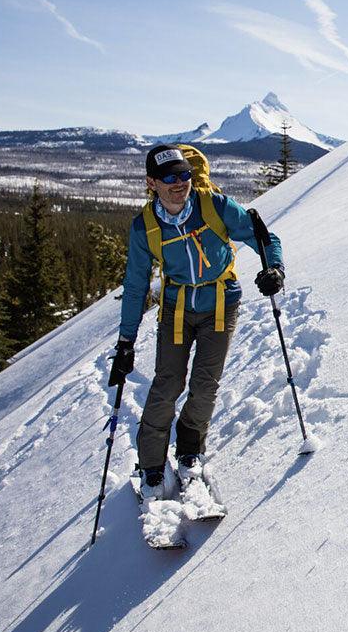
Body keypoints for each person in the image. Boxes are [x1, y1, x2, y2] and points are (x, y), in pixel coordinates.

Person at [108, 145, 284, 498]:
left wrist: (273, 267)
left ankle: (190, 449)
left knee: (205, 384)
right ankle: (151, 465)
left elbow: (262, 235)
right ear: (151, 183)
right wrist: (125, 343)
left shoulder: (213, 205)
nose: (180, 184)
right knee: (167, 384)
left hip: (220, 303)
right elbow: (135, 285)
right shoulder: (145, 227)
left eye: (185, 175)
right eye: (170, 178)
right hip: (176, 308)